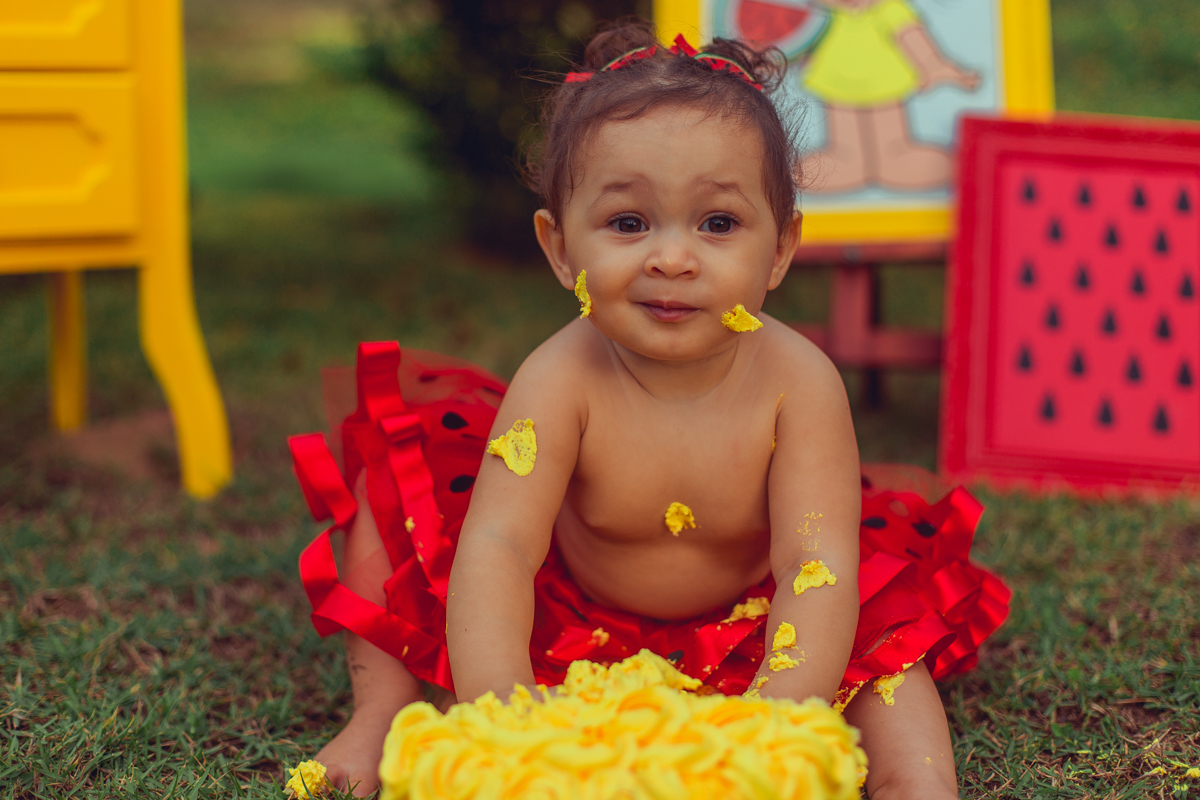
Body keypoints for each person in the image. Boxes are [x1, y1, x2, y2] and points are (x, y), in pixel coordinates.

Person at [288, 20, 1008, 799]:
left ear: (779, 248)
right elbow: (500, 546)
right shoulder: (559, 379)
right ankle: (379, 716)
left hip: (759, 623)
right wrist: (501, 707)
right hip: (570, 615)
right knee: (401, 500)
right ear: (561, 249)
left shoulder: (799, 384)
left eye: (718, 223)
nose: (671, 258)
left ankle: (914, 783)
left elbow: (816, 565)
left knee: (888, 658)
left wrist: (782, 716)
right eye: (628, 223)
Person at [802, 0, 981, 193]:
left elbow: (910, 35)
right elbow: (801, 43)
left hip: (885, 88)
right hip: (838, 88)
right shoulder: (822, 16)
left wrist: (934, 66)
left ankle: (895, 157)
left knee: (889, 139)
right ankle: (847, 159)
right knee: (846, 142)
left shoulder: (891, 10)